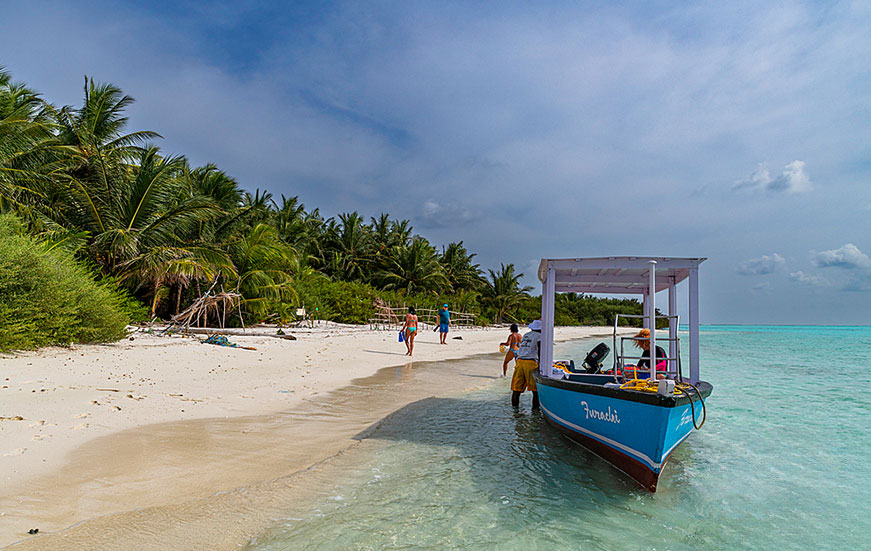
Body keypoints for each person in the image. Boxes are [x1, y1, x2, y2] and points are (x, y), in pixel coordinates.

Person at [511, 320, 542, 409]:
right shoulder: (540, 336)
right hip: (531, 363)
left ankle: (515, 412)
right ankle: (535, 413)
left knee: (516, 390)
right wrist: (540, 365)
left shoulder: (526, 335)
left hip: (520, 361)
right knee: (535, 391)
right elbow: (540, 351)